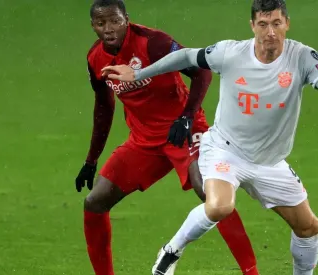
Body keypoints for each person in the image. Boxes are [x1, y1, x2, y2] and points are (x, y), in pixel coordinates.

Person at [101, 0, 318, 274]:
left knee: (308, 227)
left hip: (270, 162)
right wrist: (140, 73)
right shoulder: (230, 53)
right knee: (219, 206)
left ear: (287, 23)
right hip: (226, 151)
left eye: (276, 23)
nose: (270, 32)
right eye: (263, 24)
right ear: (252, 26)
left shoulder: (302, 57)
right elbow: (188, 56)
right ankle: (171, 251)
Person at [76, 0, 260, 274]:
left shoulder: (154, 42)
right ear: (93, 26)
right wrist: (91, 160)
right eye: (101, 23)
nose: (108, 29)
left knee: (210, 194)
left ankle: (251, 272)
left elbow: (201, 71)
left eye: (114, 20)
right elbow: (104, 108)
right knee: (95, 201)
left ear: (126, 18)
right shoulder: (95, 59)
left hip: (183, 130)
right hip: (143, 142)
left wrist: (186, 117)